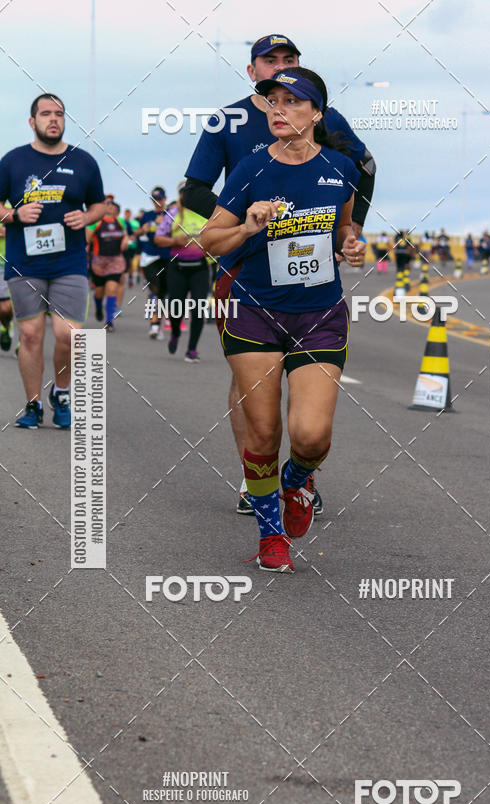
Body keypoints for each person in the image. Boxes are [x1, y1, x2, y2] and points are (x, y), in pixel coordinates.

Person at [183, 33, 376, 516]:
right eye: (270, 61)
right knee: (250, 380)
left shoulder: (323, 115)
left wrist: (349, 232)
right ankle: (256, 480)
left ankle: (293, 478)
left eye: (289, 60)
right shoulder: (227, 120)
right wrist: (243, 216)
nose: (279, 67)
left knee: (308, 416)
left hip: (309, 278)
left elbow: (362, 167)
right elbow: (193, 190)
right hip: (241, 262)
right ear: (252, 70)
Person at [0, 93, 105, 428]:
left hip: (69, 262)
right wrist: (14, 214)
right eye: (45, 114)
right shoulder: (13, 161)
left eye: (59, 113)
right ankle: (33, 405)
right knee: (30, 336)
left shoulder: (84, 161)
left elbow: (100, 205)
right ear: (33, 122)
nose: (53, 119)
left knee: (70, 335)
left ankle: (61, 393)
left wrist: (87, 218)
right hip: (24, 262)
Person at [154, 181, 209, 361]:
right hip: (177, 267)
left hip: (199, 268)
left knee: (199, 309)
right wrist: (175, 242)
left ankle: (192, 349)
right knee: (176, 308)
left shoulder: (207, 214)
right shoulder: (173, 214)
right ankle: (175, 332)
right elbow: (158, 239)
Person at [134, 186, 170, 338]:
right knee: (156, 289)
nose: (157, 202)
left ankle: (156, 325)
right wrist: (147, 227)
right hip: (149, 257)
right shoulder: (147, 215)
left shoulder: (172, 214)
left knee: (162, 292)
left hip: (167, 256)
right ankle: (154, 325)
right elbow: (137, 233)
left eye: (160, 199)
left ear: (165, 198)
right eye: (154, 199)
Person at [87, 199, 129, 330]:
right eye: (108, 205)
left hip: (115, 261)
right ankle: (99, 307)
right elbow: (87, 241)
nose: (110, 208)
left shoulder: (120, 222)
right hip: (99, 261)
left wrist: (125, 240)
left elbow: (125, 235)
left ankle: (109, 321)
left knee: (111, 290)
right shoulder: (95, 223)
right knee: (99, 292)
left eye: (113, 206)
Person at [0, 202, 14, 350]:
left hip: (8, 261)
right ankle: (6, 326)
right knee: (4, 308)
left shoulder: (11, 202)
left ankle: (6, 325)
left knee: (6, 308)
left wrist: (6, 231)